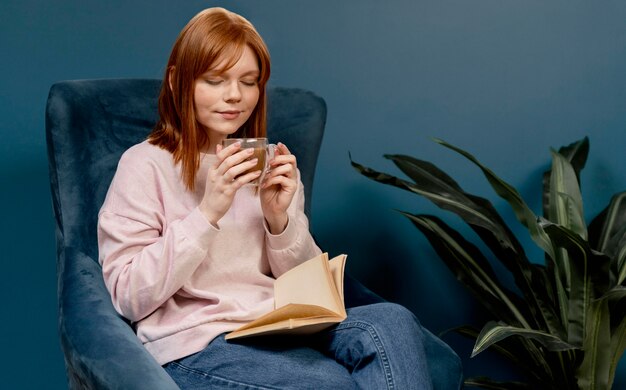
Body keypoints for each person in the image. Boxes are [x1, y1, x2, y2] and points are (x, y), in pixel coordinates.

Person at [98, 7, 433, 389]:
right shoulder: (145, 165)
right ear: (178, 81)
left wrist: (280, 222)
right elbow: (128, 296)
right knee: (330, 383)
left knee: (393, 321)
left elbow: (309, 291)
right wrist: (208, 212)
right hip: (199, 342)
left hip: (275, 324)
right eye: (215, 79)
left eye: (249, 81)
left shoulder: (272, 162)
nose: (235, 96)